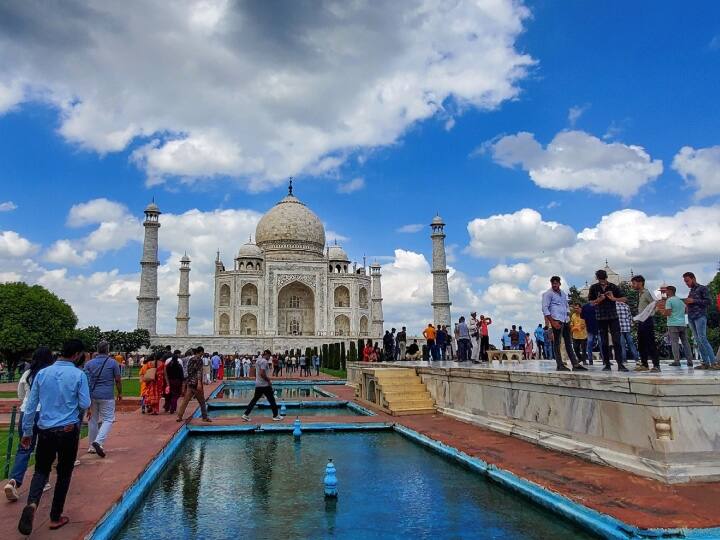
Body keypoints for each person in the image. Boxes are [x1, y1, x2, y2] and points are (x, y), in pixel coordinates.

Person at [16, 339, 90, 535]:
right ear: (76, 355)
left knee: (41, 471)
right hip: (67, 430)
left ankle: (32, 504)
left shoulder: (42, 373)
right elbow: (85, 402)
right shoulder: (78, 374)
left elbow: (31, 406)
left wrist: (27, 432)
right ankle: (55, 517)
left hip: (45, 430)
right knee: (64, 475)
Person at [4, 347, 54, 502]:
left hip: (27, 412)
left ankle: (14, 481)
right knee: (44, 449)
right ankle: (42, 480)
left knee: (24, 448)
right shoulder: (50, 373)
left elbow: (21, 395)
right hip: (44, 412)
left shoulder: (27, 374)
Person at [84, 340, 122, 458]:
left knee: (92, 420)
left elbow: (85, 380)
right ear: (108, 350)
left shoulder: (89, 364)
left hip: (92, 395)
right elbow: (117, 379)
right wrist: (120, 392)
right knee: (108, 419)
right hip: (106, 395)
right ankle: (98, 442)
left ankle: (91, 446)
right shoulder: (113, 363)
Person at [541, 276, 587, 372]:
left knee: (568, 343)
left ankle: (575, 364)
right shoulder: (548, 294)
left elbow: (566, 306)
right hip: (556, 320)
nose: (554, 285)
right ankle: (560, 365)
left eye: (556, 283)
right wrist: (552, 322)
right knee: (557, 343)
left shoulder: (563, 294)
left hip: (565, 320)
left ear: (559, 283)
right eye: (553, 283)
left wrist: (568, 319)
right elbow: (545, 309)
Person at [588, 269, 627, 372]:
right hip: (601, 317)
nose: (602, 282)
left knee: (617, 341)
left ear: (606, 278)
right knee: (604, 342)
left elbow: (624, 299)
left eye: (604, 280)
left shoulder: (613, 286)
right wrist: (598, 300)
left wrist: (613, 298)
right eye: (600, 280)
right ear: (598, 279)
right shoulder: (594, 287)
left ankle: (620, 364)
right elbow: (591, 303)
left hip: (613, 316)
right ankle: (607, 364)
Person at [683, 272, 716, 369]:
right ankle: (705, 362)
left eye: (687, 281)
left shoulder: (702, 288)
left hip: (700, 316)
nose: (686, 283)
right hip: (691, 317)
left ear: (693, 278)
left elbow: (709, 301)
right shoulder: (691, 291)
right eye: (685, 282)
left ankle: (713, 362)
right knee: (697, 340)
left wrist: (693, 301)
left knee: (703, 338)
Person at [242, 350, 284, 421]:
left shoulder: (258, 360)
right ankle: (275, 415)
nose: (269, 358)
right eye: (269, 356)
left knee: (254, 400)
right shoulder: (264, 361)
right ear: (267, 354)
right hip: (264, 385)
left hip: (258, 384)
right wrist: (268, 380)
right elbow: (262, 373)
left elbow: (257, 372)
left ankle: (245, 414)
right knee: (272, 400)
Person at [176, 347, 211, 423]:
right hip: (196, 383)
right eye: (202, 352)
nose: (202, 354)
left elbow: (189, 371)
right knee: (202, 402)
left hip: (190, 382)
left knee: (185, 400)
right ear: (200, 352)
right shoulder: (199, 360)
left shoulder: (191, 359)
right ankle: (204, 417)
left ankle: (179, 416)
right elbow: (199, 371)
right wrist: (199, 382)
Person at [662, 285, 693, 367]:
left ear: (669, 291)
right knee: (686, 342)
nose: (665, 292)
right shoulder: (680, 301)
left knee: (674, 343)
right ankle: (690, 361)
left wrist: (663, 313)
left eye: (666, 291)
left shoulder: (669, 301)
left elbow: (668, 312)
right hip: (682, 324)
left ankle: (677, 361)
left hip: (673, 324)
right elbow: (686, 311)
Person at [581, 301, 599, 366]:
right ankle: (605, 360)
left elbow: (582, 316)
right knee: (601, 343)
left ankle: (590, 360)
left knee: (590, 344)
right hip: (597, 327)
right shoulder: (598, 305)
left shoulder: (585, 306)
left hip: (590, 327)